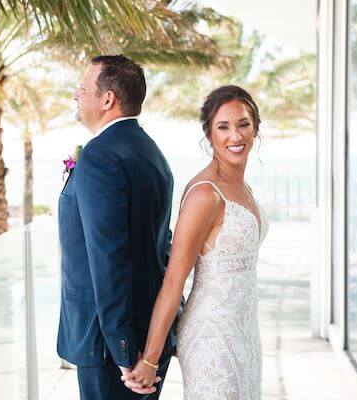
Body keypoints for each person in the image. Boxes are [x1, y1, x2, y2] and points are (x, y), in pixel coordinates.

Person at [123, 85, 270, 399]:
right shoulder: (205, 194)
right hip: (211, 338)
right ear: (209, 134)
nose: (236, 136)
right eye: (223, 127)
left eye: (243, 124)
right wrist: (150, 357)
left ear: (255, 128)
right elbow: (174, 279)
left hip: (245, 334)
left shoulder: (243, 188)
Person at [56, 55, 177, 400]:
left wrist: (124, 352)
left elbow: (109, 257)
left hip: (109, 343)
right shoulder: (151, 152)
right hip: (149, 329)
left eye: (82, 88)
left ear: (107, 99)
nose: (76, 96)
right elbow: (159, 245)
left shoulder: (100, 155)